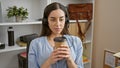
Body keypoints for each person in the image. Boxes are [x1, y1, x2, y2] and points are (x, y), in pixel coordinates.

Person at [28, 2, 84, 68]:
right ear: (46, 21)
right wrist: (49, 61)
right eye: (53, 19)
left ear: (65, 21)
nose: (58, 24)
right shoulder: (35, 44)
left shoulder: (76, 41)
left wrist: (70, 59)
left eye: (61, 19)